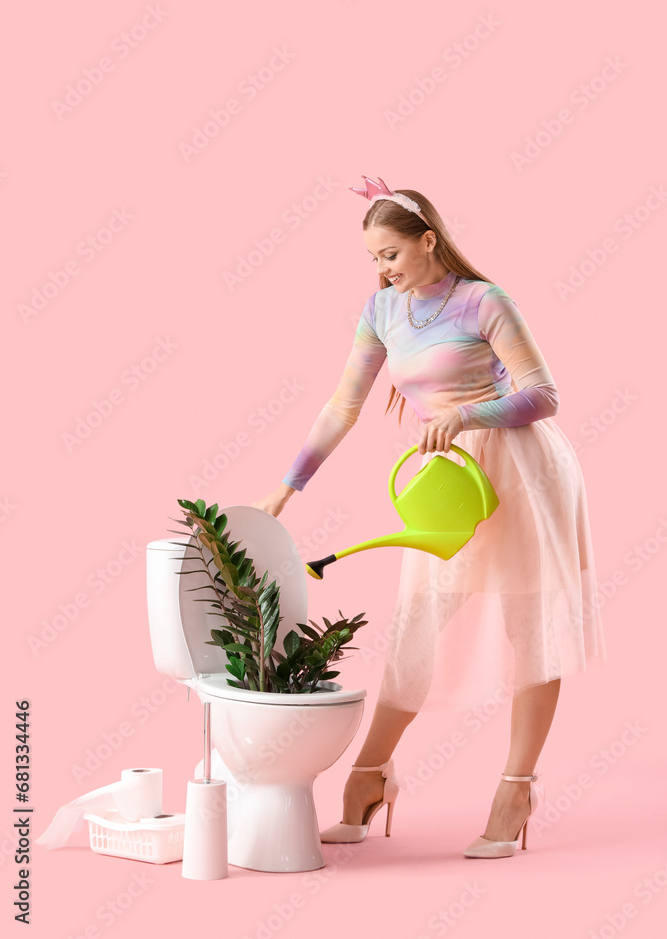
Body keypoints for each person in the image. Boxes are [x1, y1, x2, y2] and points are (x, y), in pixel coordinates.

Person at [252, 175, 606, 858]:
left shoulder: (484, 301)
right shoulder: (381, 310)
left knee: (527, 626)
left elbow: (543, 396)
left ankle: (515, 788)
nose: (381, 269)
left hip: (519, 471)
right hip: (447, 481)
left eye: (390, 254)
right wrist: (286, 488)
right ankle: (371, 774)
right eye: (372, 259)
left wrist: (466, 413)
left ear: (427, 241)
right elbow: (341, 407)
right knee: (419, 622)